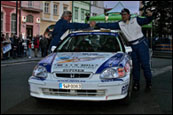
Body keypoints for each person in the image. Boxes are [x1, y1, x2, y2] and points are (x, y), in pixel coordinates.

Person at [91, 8, 153, 91]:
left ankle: (148, 83)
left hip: (141, 43)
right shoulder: (120, 24)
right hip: (132, 46)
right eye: (122, 15)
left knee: (145, 65)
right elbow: (109, 25)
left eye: (125, 14)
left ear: (128, 15)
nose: (123, 16)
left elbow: (146, 20)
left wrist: (150, 16)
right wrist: (97, 24)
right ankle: (136, 83)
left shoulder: (136, 20)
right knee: (135, 66)